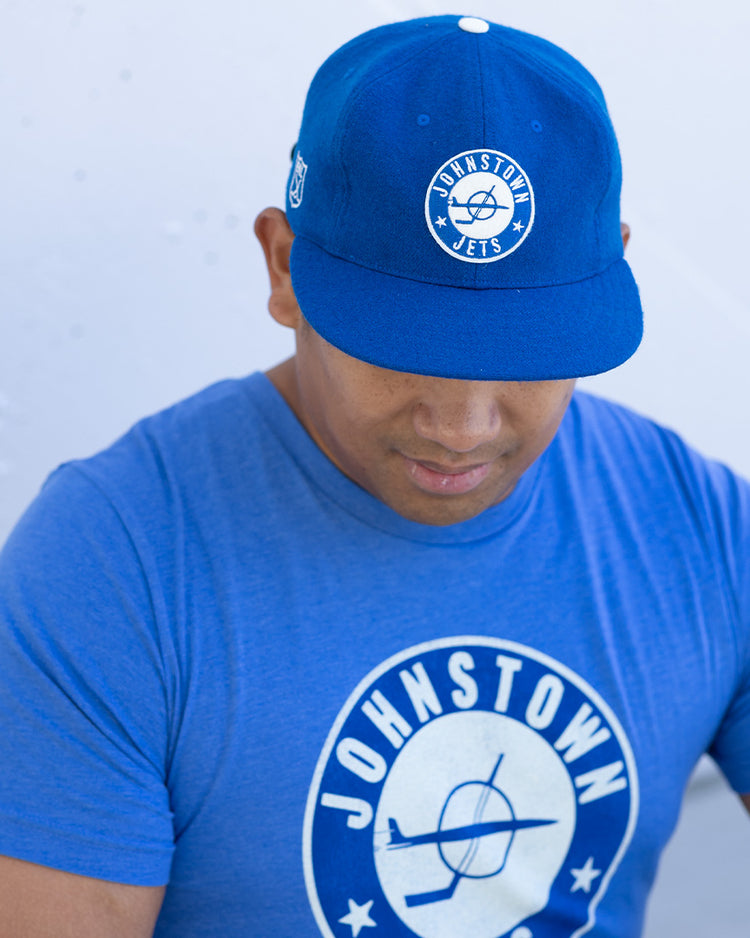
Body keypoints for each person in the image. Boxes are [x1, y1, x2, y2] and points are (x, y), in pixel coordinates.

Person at [0, 13, 747, 938]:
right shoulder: (107, 569)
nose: (463, 428)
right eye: (403, 348)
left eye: (527, 349)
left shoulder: (705, 530)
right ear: (285, 270)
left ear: (609, 277)